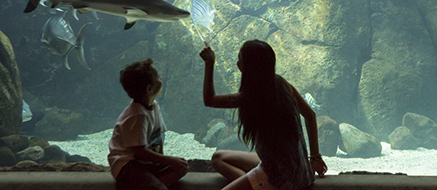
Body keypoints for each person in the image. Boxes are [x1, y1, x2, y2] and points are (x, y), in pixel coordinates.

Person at [200, 40, 328, 190]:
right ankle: (254, 185)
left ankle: (257, 184)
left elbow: (209, 100)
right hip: (301, 171)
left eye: (240, 59)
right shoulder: (282, 83)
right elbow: (310, 115)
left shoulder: (251, 96)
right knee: (218, 158)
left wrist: (210, 63)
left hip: (279, 179)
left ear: (249, 67)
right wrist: (315, 157)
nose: (237, 63)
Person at [108, 58, 189, 190]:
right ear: (150, 89)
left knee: (181, 167)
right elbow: (139, 152)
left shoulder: (154, 106)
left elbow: (158, 138)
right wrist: (168, 160)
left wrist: (167, 160)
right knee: (173, 167)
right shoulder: (137, 115)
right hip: (127, 165)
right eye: (157, 77)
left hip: (144, 163)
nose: (161, 78)